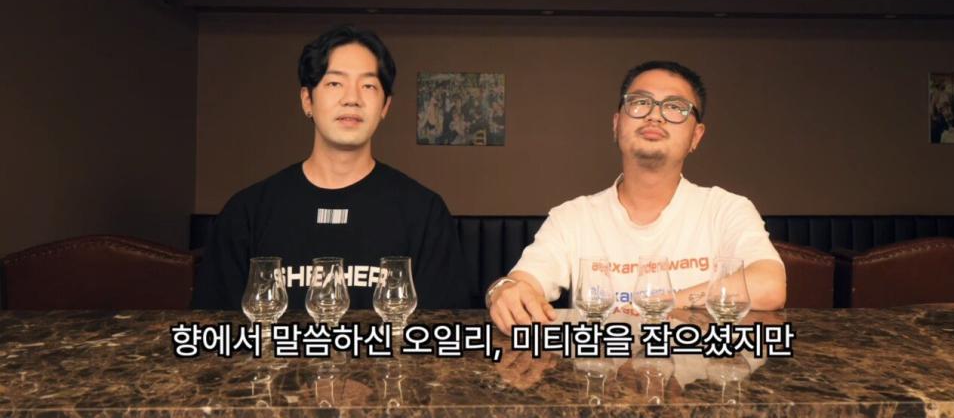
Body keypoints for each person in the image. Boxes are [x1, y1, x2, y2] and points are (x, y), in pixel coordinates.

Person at [486, 61, 786, 334]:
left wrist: (663, 303)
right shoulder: (573, 217)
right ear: (616, 124)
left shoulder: (726, 209)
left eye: (675, 107)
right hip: (598, 371)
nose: (655, 115)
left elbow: (769, 285)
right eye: (640, 102)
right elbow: (522, 283)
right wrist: (502, 291)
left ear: (696, 136)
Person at [193, 25, 470, 310]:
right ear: (307, 100)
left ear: (385, 106)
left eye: (368, 86)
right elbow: (209, 327)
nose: (352, 98)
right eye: (335, 83)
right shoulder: (247, 213)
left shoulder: (424, 213)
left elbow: (446, 328)